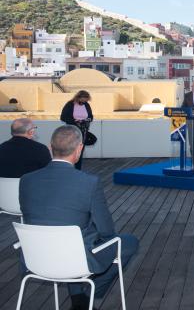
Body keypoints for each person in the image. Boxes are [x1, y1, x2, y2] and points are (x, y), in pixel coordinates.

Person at [19, 125, 138, 310]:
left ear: (50, 148)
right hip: (74, 259)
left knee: (71, 236)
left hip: (35, 257)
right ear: (79, 149)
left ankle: (78, 298)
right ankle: (90, 295)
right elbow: (107, 231)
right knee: (128, 242)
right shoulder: (89, 182)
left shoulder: (27, 180)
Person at [60, 90, 93, 170]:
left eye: (87, 99)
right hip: (72, 131)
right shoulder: (70, 104)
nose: (86, 101)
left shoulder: (86, 105)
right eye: (84, 99)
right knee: (71, 150)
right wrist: (75, 121)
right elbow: (63, 117)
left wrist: (87, 120)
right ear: (79, 97)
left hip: (83, 131)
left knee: (80, 151)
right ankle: (69, 168)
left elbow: (91, 116)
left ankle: (78, 169)